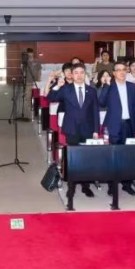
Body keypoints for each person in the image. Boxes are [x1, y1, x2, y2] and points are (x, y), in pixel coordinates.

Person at [48, 63, 101, 198]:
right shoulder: (66, 89)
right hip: (71, 129)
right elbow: (50, 98)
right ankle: (71, 187)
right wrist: (57, 86)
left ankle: (85, 186)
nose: (79, 75)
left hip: (88, 129)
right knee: (73, 159)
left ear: (85, 74)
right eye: (76, 73)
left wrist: (96, 130)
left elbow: (95, 111)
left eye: (81, 72)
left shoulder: (91, 91)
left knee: (87, 159)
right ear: (71, 75)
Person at [97, 61, 135, 196]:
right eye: (118, 70)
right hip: (113, 126)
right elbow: (101, 102)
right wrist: (106, 85)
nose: (122, 72)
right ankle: (112, 185)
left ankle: (127, 184)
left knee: (128, 157)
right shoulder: (109, 87)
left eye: (124, 69)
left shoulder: (132, 87)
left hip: (129, 125)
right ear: (114, 73)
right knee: (113, 157)